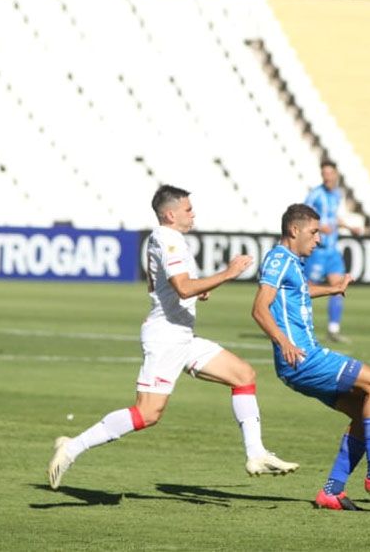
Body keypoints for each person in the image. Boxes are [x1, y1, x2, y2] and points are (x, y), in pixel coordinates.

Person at [48, 185, 298, 489]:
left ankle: (256, 453)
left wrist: (200, 289)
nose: (193, 214)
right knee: (148, 413)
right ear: (170, 214)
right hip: (166, 338)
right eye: (188, 209)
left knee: (243, 375)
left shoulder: (169, 239)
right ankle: (71, 448)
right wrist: (228, 273)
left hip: (181, 335)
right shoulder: (168, 239)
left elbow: (179, 288)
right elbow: (182, 287)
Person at [251, 203, 370, 511]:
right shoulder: (279, 259)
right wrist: (282, 340)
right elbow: (260, 307)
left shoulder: (290, 262)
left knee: (364, 415)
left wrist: (332, 288)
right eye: (313, 233)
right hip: (303, 358)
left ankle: (332, 491)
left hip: (297, 363)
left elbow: (297, 292)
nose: (318, 240)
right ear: (294, 230)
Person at [304, 160, 362, 343]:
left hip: (332, 251)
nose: (327, 177)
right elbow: (303, 217)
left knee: (338, 287)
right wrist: (319, 228)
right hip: (317, 250)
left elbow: (333, 218)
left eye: (330, 173)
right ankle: (296, 324)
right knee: (305, 289)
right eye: (324, 174)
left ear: (336, 175)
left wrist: (349, 227)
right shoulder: (315, 195)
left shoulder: (337, 194)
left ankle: (333, 329)